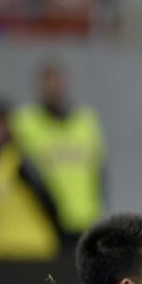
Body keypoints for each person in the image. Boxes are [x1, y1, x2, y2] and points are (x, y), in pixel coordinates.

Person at [11, 58, 106, 251]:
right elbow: (23, 172)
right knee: (50, 280)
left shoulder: (86, 122)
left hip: (85, 220)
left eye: (58, 81)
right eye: (48, 82)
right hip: (44, 225)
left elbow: (99, 170)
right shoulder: (25, 122)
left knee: (81, 277)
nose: (54, 88)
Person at [0, 97, 62, 260]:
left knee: (48, 283)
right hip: (1, 251)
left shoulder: (20, 163)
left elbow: (47, 200)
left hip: (29, 250)